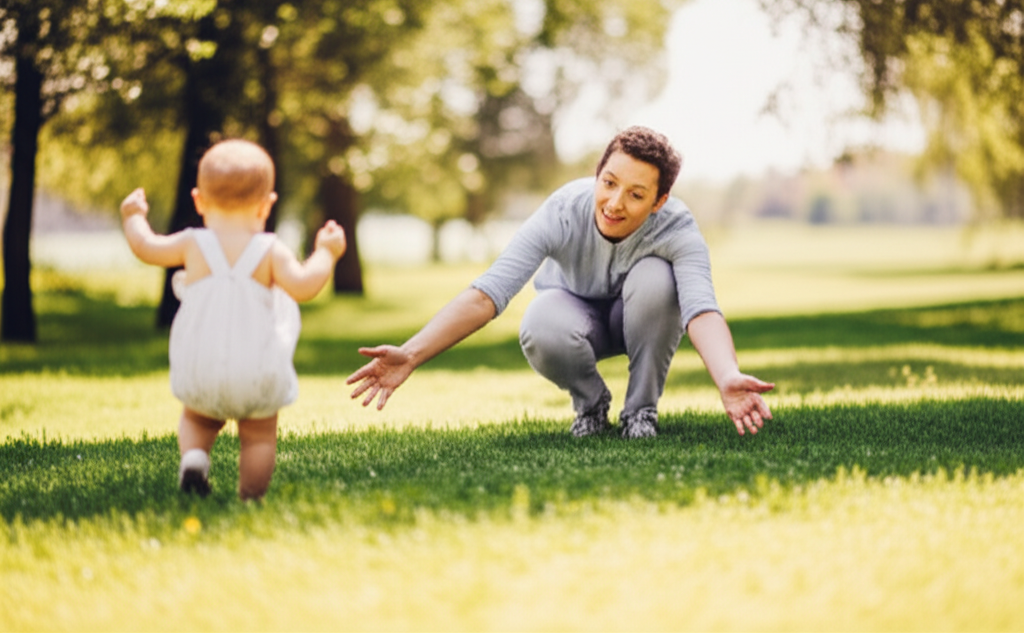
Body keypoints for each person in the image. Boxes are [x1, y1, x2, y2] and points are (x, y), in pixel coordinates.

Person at [347, 125, 773, 439]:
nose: (614, 203)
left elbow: (701, 309)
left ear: (660, 201)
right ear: (597, 174)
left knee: (657, 278)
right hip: (575, 317)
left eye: (636, 194)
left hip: (642, 315)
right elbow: (489, 293)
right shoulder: (563, 211)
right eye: (608, 183)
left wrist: (727, 375)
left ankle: (640, 412)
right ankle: (591, 405)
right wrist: (412, 353)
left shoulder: (677, 229)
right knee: (539, 318)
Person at [121, 139, 347, 499]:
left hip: (201, 366)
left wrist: (134, 218)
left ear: (198, 201)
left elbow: (146, 247)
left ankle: (195, 458)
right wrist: (325, 253)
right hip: (256, 369)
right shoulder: (270, 250)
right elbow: (304, 286)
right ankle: (250, 497)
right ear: (266, 205)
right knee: (258, 436)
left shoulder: (191, 243)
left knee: (197, 419)